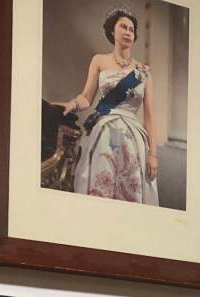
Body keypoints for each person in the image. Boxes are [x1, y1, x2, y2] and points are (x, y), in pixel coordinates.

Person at [60, 8, 159, 204]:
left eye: (132, 29)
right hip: (103, 130)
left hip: (133, 138)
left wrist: (153, 154)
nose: (128, 32)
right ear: (112, 31)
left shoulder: (143, 72)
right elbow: (87, 98)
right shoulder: (99, 60)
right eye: (123, 26)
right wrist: (71, 104)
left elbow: (149, 116)